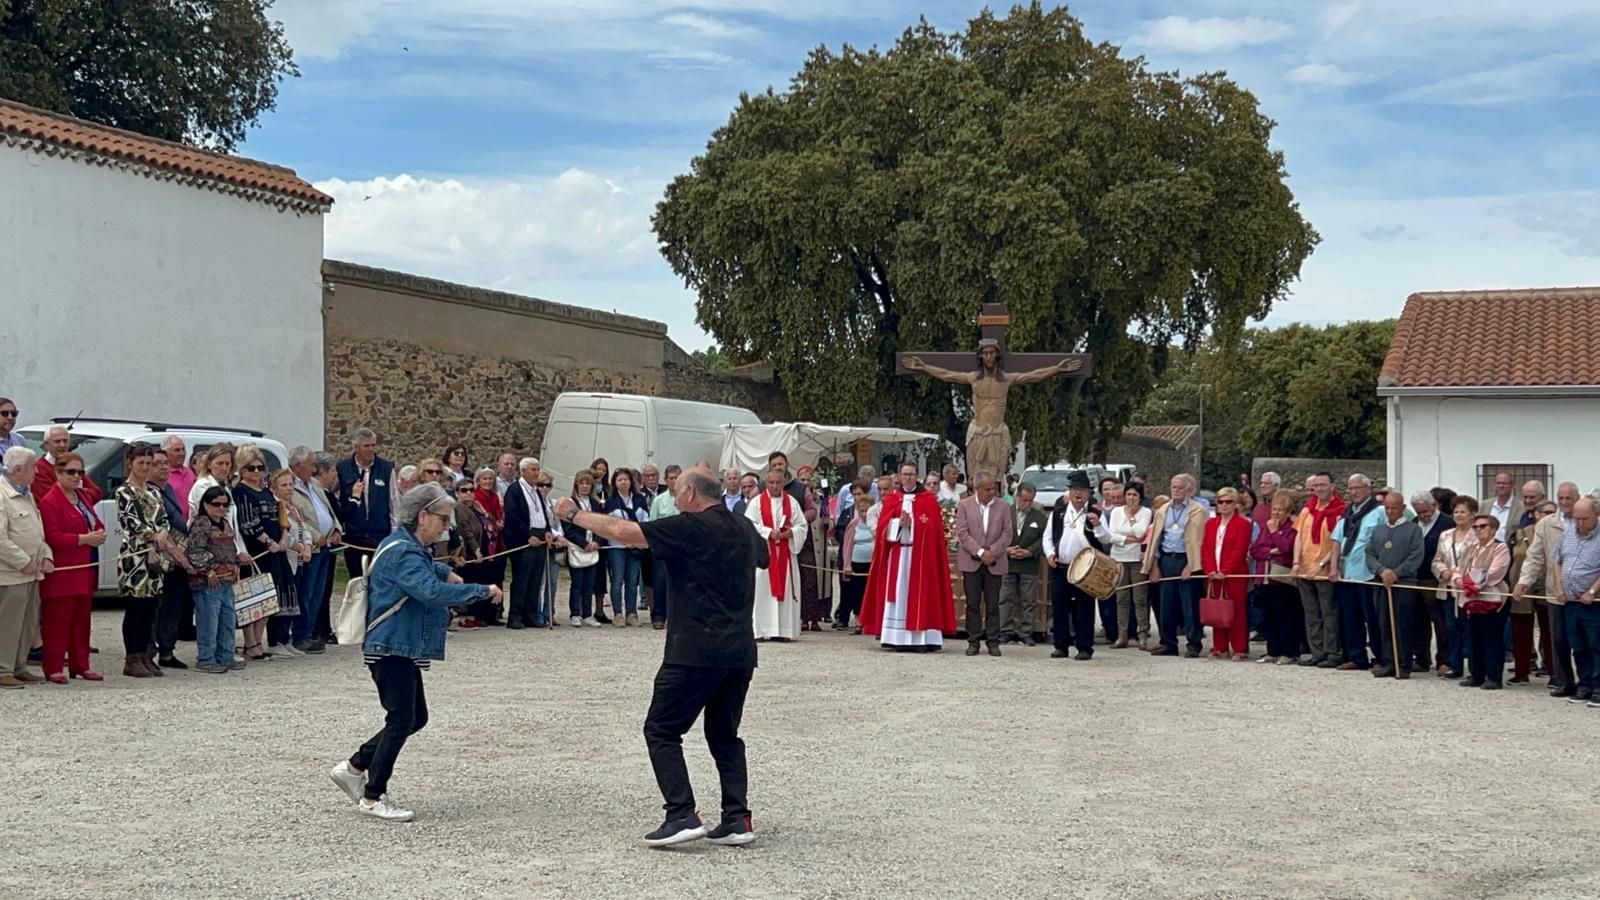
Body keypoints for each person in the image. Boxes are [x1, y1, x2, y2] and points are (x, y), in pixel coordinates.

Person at [554, 465, 763, 847]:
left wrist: (572, 514)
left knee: (662, 729)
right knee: (724, 734)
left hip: (695, 649)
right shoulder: (744, 526)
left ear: (689, 495)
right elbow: (763, 557)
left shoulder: (690, 526)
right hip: (739, 650)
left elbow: (623, 531)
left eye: (677, 489)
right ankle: (737, 818)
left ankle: (681, 813)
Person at [329, 483, 504, 822]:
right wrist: (480, 590)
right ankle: (372, 795)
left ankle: (353, 767)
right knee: (400, 719)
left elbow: (426, 569)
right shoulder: (403, 551)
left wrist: (446, 570)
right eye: (442, 519)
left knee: (415, 717)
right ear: (422, 516)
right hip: (391, 645)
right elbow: (427, 591)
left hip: (399, 645)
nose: (446, 527)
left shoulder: (406, 545)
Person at [860, 463, 956, 652]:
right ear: (900, 476)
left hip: (921, 558)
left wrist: (914, 526)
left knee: (922, 595)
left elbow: (934, 531)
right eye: (904, 475)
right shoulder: (893, 499)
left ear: (917, 476)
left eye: (911, 474)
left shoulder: (928, 500)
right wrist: (898, 524)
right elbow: (882, 530)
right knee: (898, 595)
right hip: (898, 554)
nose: (908, 478)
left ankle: (922, 638)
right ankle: (895, 636)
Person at [117, 443, 187, 677]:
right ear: (130, 464)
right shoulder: (124, 492)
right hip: (136, 556)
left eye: (149, 463)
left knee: (150, 607)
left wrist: (164, 533)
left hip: (156, 556)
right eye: (141, 463)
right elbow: (131, 522)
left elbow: (164, 518)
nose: (145, 468)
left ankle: (145, 654)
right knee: (136, 607)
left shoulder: (154, 491)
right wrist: (153, 535)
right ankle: (132, 656)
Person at [37, 451, 104, 683]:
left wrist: (98, 533)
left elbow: (95, 520)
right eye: (71, 472)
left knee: (82, 622)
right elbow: (52, 536)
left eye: (80, 472)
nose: (76, 477)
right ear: (58, 472)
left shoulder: (82, 497)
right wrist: (84, 539)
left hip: (84, 568)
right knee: (58, 622)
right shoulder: (50, 501)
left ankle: (81, 664)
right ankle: (53, 666)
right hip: (63, 572)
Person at [232, 446, 296, 661]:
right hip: (257, 551)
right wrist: (269, 542)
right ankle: (250, 642)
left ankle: (259, 641)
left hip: (276, 550)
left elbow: (280, 516)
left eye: (261, 468)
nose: (257, 472)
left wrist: (284, 538)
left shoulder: (266, 491)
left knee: (269, 599)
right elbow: (248, 523)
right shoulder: (241, 492)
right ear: (242, 470)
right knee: (252, 599)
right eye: (251, 468)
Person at [1043, 470, 1111, 661]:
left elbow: (1107, 538)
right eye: (1074, 490)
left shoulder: (1096, 513)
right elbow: (1048, 537)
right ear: (1069, 493)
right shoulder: (1058, 513)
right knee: (1060, 607)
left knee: (1084, 608)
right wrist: (1050, 553)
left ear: (1088, 493)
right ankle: (1061, 645)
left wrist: (1098, 525)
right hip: (1062, 566)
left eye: (1082, 491)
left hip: (1086, 570)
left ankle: (1084, 647)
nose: (1078, 494)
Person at [1519, 482, 1579, 697]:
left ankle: (1590, 682)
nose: (1563, 503)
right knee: (1559, 640)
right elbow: (1535, 555)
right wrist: (1524, 581)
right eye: (1560, 498)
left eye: (1568, 499)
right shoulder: (1546, 524)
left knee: (1585, 641)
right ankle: (1564, 681)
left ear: (1577, 498)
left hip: (1584, 592)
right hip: (1555, 591)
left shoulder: (1589, 521)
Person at [0, 447, 51, 688]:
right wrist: (23, 561)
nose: (37, 470)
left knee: (27, 622)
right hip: (10, 575)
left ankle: (19, 666)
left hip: (32, 573)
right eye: (33, 466)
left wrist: (46, 556)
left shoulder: (27, 494)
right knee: (8, 623)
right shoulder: (2, 495)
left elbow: (36, 531)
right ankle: (3, 669)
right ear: (18, 470)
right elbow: (0, 540)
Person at [1143, 474, 1209, 658]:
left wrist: (1191, 565)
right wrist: (1155, 565)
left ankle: (1193, 644)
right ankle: (1168, 642)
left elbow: (1200, 541)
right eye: (1173, 486)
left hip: (1187, 559)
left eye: (1180, 487)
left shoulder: (1198, 511)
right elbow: (1156, 539)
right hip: (1167, 559)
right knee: (1166, 604)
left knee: (1190, 605)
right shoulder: (1163, 510)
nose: (1176, 490)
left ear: (1189, 489)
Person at [185, 485, 244, 673]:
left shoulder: (225, 522)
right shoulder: (201, 523)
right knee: (209, 622)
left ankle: (225, 656)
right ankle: (206, 658)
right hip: (209, 582)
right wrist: (208, 570)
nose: (221, 508)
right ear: (205, 504)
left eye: (225, 504)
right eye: (216, 504)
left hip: (227, 579)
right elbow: (194, 551)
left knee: (227, 620)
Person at [1366, 490, 1425, 678]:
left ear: (1403, 508)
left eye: (1394, 508)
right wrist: (1382, 571)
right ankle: (1388, 661)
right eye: (1387, 508)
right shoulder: (1379, 530)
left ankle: (1404, 663)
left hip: (1404, 584)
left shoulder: (1413, 530)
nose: (1390, 511)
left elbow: (1416, 556)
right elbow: (1369, 554)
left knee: (1403, 624)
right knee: (1384, 623)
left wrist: (1396, 573)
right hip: (1381, 582)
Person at [954, 471, 1012, 657]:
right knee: (972, 604)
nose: (991, 492)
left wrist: (992, 552)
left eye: (993, 488)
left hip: (995, 561)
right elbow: (962, 533)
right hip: (972, 561)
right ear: (976, 488)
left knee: (993, 604)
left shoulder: (1003, 507)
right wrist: (980, 552)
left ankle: (993, 641)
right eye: (987, 489)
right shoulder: (964, 505)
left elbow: (1007, 533)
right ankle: (973, 641)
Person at [746, 468, 806, 642]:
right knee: (762, 590)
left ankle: (784, 630)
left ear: (783, 482)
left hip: (786, 554)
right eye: (771, 482)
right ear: (766, 482)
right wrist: (767, 532)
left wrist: (791, 532)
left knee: (786, 590)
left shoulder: (792, 502)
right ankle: (761, 630)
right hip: (764, 554)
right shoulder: (756, 502)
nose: (774, 486)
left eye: (778, 482)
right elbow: (749, 524)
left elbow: (802, 526)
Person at [1454, 512, 1511, 690]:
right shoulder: (1470, 549)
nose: (1478, 530)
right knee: (1472, 637)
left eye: (1483, 526)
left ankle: (1493, 676)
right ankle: (1476, 674)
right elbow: (1458, 568)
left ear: (1493, 529)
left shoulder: (1500, 548)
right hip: (1469, 599)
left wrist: (1467, 581)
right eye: (1475, 527)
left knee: (1491, 638)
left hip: (1490, 599)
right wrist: (1457, 580)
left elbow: (1493, 572)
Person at [290, 447, 339, 653]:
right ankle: (301, 635)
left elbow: (327, 510)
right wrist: (315, 535)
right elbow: (295, 517)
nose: (314, 469)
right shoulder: (291, 488)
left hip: (325, 547)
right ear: (298, 466)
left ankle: (310, 633)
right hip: (310, 547)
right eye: (311, 465)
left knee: (318, 593)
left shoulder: (314, 486)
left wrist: (336, 528)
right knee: (306, 592)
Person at [1332, 474, 1383, 671]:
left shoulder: (1378, 512)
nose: (1354, 492)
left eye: (1358, 488)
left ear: (1368, 489)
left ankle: (1380, 657)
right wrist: (1334, 567)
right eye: (1351, 488)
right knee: (1351, 618)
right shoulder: (1348, 513)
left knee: (1373, 619)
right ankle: (1356, 656)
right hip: (1348, 573)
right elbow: (1337, 541)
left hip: (1368, 573)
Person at [1292, 472, 1344, 668]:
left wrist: (1322, 565)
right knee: (1311, 614)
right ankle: (1317, 651)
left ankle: (1333, 653)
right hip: (1305, 569)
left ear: (1332, 486)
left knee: (1329, 614)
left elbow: (1337, 543)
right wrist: (1296, 562)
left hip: (1324, 571)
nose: (1319, 488)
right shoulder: (1307, 510)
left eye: (1323, 484)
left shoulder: (1340, 511)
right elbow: (1299, 537)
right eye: (1316, 485)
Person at [1553, 498, 1600, 706]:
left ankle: (1599, 688)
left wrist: (1592, 590)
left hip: (1594, 603)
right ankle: (1585, 685)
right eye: (1576, 518)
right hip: (1571, 601)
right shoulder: (1569, 532)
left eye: (1584, 519)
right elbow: (1557, 560)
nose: (1580, 523)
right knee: (1578, 646)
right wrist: (1558, 587)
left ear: (1596, 515)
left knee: (1596, 645)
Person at [337, 427, 400, 580]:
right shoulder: (342, 468)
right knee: (357, 581)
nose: (371, 449)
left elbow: (394, 502)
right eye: (366, 446)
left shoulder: (386, 468)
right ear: (356, 447)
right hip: (354, 536)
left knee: (378, 579)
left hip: (379, 535)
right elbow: (335, 499)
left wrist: (394, 532)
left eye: (373, 445)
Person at [148, 452, 193, 668]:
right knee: (156, 607)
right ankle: (150, 652)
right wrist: (177, 552)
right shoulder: (148, 493)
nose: (164, 468)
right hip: (160, 557)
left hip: (177, 558)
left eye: (166, 464)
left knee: (174, 606)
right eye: (157, 464)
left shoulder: (169, 490)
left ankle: (167, 651)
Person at [503, 457, 557, 629]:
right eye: (533, 470)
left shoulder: (535, 491)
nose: (536, 473)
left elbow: (542, 514)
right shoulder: (515, 490)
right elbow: (512, 517)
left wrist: (548, 531)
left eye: (537, 469)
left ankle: (531, 615)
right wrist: (527, 535)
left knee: (535, 578)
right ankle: (515, 616)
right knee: (522, 578)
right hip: (524, 538)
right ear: (523, 471)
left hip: (540, 536)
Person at [1432, 497, 1480, 679]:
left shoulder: (1477, 535)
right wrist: (1443, 571)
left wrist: (1462, 577)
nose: (1459, 515)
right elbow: (1436, 559)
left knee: (1470, 629)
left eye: (1463, 512)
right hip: (1448, 588)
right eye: (1456, 512)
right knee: (1451, 628)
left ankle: (1476, 668)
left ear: (1472, 514)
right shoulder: (1445, 535)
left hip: (1468, 589)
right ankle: (1455, 665)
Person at [1201, 487, 1252, 661]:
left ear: (1236, 504)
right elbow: (1206, 548)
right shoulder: (1211, 524)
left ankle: (1239, 648)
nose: (1223, 505)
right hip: (1214, 573)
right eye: (1220, 501)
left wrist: (1226, 571)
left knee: (1236, 610)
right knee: (1217, 609)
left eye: (1228, 502)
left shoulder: (1243, 524)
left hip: (1234, 574)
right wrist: (1209, 570)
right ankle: (1219, 647)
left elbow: (1240, 550)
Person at [1506, 502, 1553, 684]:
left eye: (1551, 513)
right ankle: (1522, 671)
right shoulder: (1521, 533)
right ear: (1535, 514)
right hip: (1521, 584)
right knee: (1521, 630)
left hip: (1547, 585)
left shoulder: (1560, 532)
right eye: (1544, 512)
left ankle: (1553, 671)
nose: (1548, 516)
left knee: (1549, 630)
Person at [1251, 492, 1301, 664]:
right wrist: (1269, 552)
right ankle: (1272, 650)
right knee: (1268, 616)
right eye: (1274, 509)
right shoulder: (1266, 526)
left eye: (1280, 510)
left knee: (1284, 616)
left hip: (1281, 578)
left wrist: (1275, 534)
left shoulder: (1292, 528)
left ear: (1288, 512)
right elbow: (1256, 549)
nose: (1276, 513)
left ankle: (1288, 651)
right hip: (1263, 576)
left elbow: (1287, 547)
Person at [1411, 491, 1454, 675]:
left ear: (1434, 506)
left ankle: (1444, 660)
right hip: (1415, 578)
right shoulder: (1414, 524)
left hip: (1435, 579)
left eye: (1425, 511)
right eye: (1419, 512)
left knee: (1440, 620)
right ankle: (1421, 659)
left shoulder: (1447, 523)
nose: (1423, 516)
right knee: (1418, 621)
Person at [999, 482, 1048, 646]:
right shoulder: (1004, 513)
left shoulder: (1040, 517)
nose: (1027, 504)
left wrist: (1030, 551)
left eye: (1030, 500)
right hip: (1007, 562)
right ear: (1017, 497)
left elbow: (1044, 539)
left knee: (1029, 600)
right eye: (1024, 500)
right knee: (1005, 598)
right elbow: (995, 534)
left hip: (1029, 564)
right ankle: (1006, 630)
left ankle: (1026, 631)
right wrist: (1005, 549)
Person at [1106, 482, 1152, 649]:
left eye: (1135, 495)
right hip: (1119, 557)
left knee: (1139, 598)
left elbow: (1141, 533)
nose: (1131, 498)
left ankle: (1142, 634)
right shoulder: (1116, 511)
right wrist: (1128, 537)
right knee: (1122, 598)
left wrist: (1132, 517)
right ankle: (1122, 635)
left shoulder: (1146, 512)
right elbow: (1112, 534)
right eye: (1129, 495)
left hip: (1136, 559)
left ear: (1140, 497)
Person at [602, 468, 649, 626]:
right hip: (617, 546)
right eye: (619, 480)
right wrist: (621, 539)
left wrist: (636, 540)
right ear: (615, 483)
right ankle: (617, 613)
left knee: (632, 580)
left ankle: (631, 613)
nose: (623, 482)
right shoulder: (611, 502)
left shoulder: (639, 500)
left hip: (635, 545)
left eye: (625, 479)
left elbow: (645, 522)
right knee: (617, 580)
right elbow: (608, 526)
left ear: (631, 482)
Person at [561, 470, 603, 627]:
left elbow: (601, 525)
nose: (585, 486)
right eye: (582, 483)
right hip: (577, 548)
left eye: (588, 484)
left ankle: (587, 614)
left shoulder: (595, 504)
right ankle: (575, 613)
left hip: (593, 548)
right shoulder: (570, 504)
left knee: (589, 584)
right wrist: (583, 544)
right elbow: (568, 529)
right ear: (576, 485)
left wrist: (597, 542)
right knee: (577, 583)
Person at [836, 481, 878, 632]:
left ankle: (870, 621)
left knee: (870, 592)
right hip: (856, 562)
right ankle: (858, 622)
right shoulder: (853, 524)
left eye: (867, 511)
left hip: (871, 563)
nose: (864, 514)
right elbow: (847, 546)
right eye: (861, 511)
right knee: (857, 593)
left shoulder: (875, 523)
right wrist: (847, 564)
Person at [649, 464, 683, 630]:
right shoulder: (658, 501)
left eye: (677, 477)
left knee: (681, 583)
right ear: (666, 480)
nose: (674, 481)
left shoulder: (688, 498)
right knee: (660, 581)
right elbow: (652, 523)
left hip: (683, 548)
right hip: (663, 547)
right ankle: (659, 615)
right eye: (671, 478)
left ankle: (678, 617)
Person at [1481, 472, 1522, 544]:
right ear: (1494, 485)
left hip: (1509, 548)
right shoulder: (1485, 505)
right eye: (1498, 483)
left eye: (1504, 483)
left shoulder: (1521, 507)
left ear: (1512, 485)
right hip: (1486, 548)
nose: (1501, 486)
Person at [162, 435, 195, 514]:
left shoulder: (190, 472)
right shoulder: (162, 475)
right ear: (166, 453)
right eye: (177, 450)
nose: (182, 453)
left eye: (183, 449)